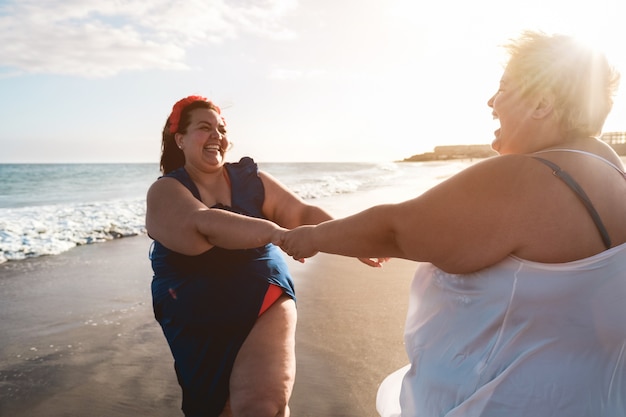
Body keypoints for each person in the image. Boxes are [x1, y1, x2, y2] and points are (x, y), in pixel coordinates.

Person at [278, 31, 626, 416]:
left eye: (504, 87)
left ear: (543, 102)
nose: (491, 101)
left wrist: (311, 236)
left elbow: (395, 229)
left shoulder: (528, 176)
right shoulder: (614, 175)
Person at [146, 96, 384, 417]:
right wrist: (275, 233)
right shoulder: (166, 191)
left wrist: (352, 239)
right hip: (194, 314)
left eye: (222, 128)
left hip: (262, 295)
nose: (217, 135)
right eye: (205, 128)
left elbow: (301, 212)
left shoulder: (250, 180)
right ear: (180, 139)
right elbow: (203, 225)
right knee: (217, 409)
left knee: (261, 406)